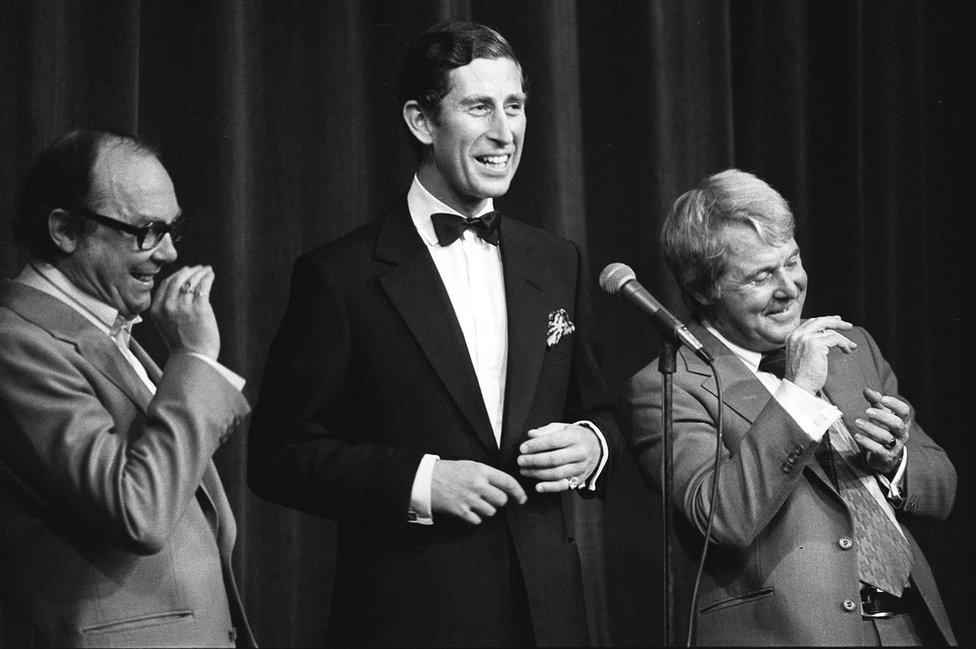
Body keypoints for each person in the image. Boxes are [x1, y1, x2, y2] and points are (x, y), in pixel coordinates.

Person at [248, 21, 619, 647]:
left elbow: (598, 409)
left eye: (515, 106)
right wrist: (421, 481)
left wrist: (592, 448)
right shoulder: (340, 276)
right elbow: (278, 457)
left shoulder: (560, 261)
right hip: (410, 618)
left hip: (549, 616)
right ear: (422, 122)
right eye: (479, 107)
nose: (505, 132)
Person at [625, 168, 956, 646]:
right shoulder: (667, 385)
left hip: (909, 627)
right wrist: (797, 395)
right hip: (788, 635)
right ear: (702, 289)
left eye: (792, 261)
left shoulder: (852, 346)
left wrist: (897, 463)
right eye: (761, 276)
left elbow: (943, 486)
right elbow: (722, 517)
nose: (789, 288)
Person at [0, 129, 254, 647]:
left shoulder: (106, 330)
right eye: (145, 231)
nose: (167, 253)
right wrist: (194, 359)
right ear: (65, 230)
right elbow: (137, 512)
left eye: (171, 229)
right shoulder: (16, 347)